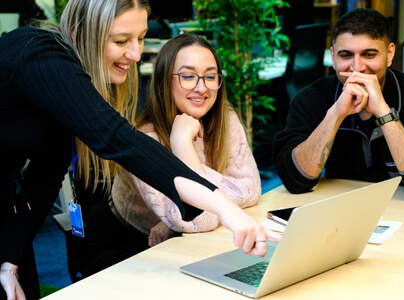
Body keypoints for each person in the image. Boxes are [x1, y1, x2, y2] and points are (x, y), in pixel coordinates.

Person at [0, 0, 279, 299]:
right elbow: (117, 139)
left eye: (141, 38)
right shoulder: (37, 53)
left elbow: (45, 178)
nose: (135, 54)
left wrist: (10, 262)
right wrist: (226, 209)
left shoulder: (68, 81)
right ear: (78, 32)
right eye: (121, 41)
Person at [71, 33, 262, 277]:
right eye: (188, 76)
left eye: (210, 76)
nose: (201, 87)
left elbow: (251, 188)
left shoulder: (225, 117)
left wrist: (172, 222)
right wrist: (182, 144)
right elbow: (197, 222)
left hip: (179, 242)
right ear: (164, 81)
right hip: (122, 244)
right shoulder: (145, 138)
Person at [273, 8, 404, 204]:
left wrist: (383, 112)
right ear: (333, 56)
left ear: (390, 54)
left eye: (369, 54)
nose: (356, 67)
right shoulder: (309, 99)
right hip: (341, 213)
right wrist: (335, 114)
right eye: (346, 55)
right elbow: (294, 181)